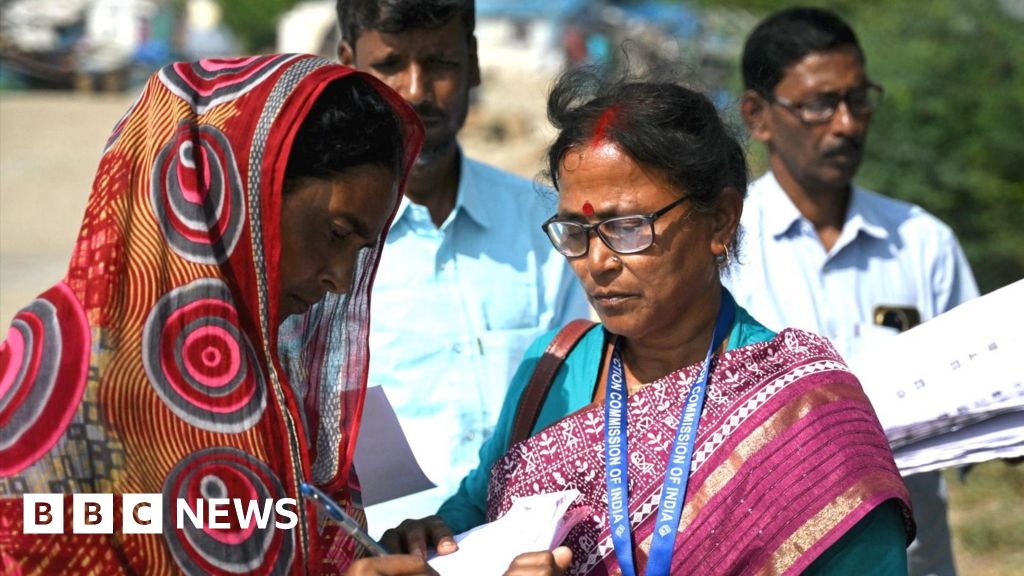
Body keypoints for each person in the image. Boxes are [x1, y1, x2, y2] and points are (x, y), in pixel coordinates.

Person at [390, 67, 916, 574]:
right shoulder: (552, 370)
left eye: (627, 226)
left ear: (720, 221)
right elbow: (476, 515)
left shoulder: (803, 414)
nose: (597, 261)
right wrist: (431, 541)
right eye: (575, 231)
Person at [0, 53, 441, 575]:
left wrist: (376, 555)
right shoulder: (55, 380)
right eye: (337, 233)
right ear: (239, 191)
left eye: (361, 250)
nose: (340, 280)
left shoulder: (275, 382)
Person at [729, 8, 978, 576]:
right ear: (758, 116)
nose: (846, 123)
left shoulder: (923, 243)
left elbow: (986, 401)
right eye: (819, 104)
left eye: (858, 99)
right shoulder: (719, 251)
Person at [335, 0, 590, 532]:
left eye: (440, 64)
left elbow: (582, 388)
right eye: (388, 65)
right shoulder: (329, 246)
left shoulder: (545, 227)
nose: (416, 91)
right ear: (347, 67)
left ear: (473, 63)